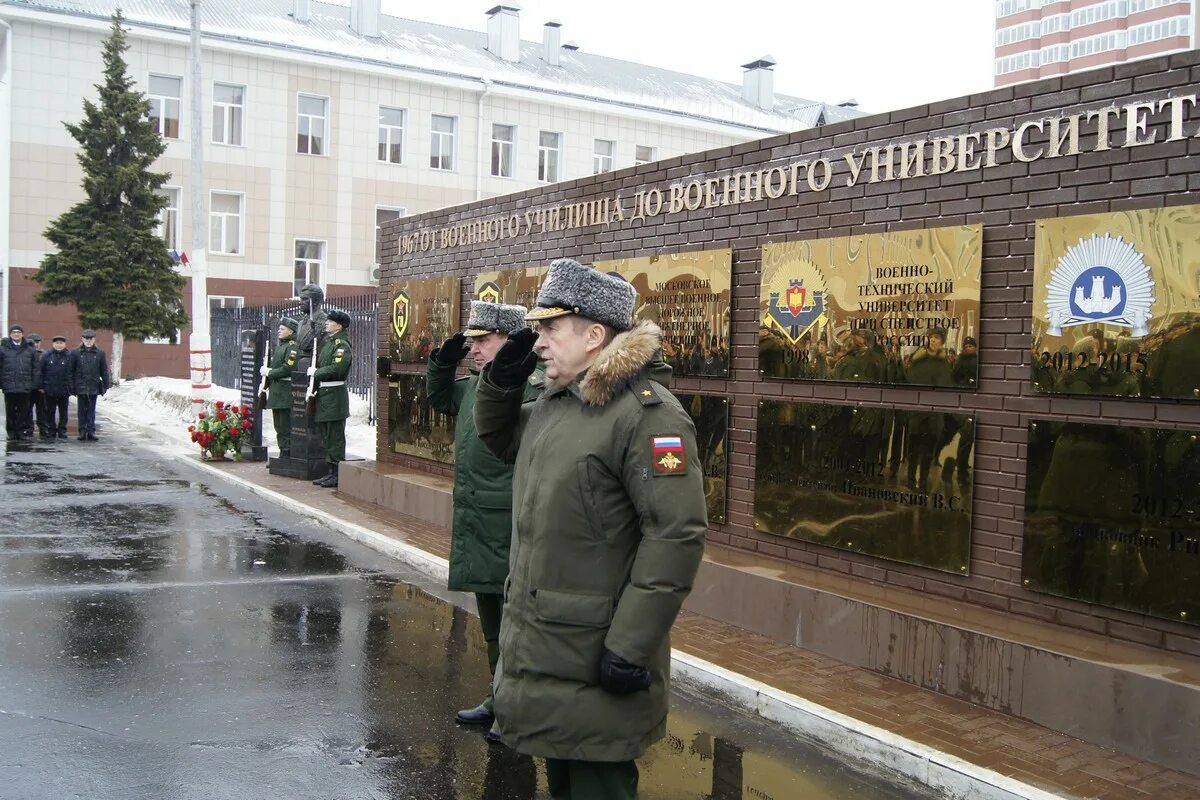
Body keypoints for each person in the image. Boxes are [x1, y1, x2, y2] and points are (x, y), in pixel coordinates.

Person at [474, 258, 707, 799]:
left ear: (595, 335)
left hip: (597, 655)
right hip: (551, 649)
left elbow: (676, 536)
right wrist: (500, 384)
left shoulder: (649, 417)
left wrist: (629, 647)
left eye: (551, 329)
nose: (538, 343)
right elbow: (501, 438)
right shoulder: (559, 407)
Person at [426, 300, 542, 737]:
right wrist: (445, 357)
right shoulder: (476, 385)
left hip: (508, 519)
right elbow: (438, 397)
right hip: (477, 518)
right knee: (493, 623)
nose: (475, 350)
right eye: (472, 342)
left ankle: (514, 707)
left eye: (483, 340)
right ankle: (499, 698)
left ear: (511, 341)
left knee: (517, 623)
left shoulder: (529, 386)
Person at [308, 309, 351, 487]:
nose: (326, 323)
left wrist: (317, 372)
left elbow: (337, 369)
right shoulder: (330, 343)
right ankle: (330, 471)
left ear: (339, 326)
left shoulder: (342, 345)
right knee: (327, 436)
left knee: (335, 437)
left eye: (330, 321)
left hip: (334, 396)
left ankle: (337, 473)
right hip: (325, 396)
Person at [263, 316, 300, 457]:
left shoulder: (292, 347)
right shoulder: (282, 346)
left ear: (291, 331)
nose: (279, 330)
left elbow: (287, 369)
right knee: (278, 425)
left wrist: (270, 372)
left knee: (285, 425)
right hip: (277, 392)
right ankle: (282, 451)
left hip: (285, 393)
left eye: (282, 329)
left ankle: (287, 453)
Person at [72, 329, 111, 441]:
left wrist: (105, 384)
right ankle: (82, 431)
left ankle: (91, 431)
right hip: (81, 385)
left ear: (94, 339)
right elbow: (71, 370)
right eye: (86, 338)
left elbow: (104, 370)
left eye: (91, 339)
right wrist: (72, 385)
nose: (88, 341)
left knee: (91, 410)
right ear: (82, 339)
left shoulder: (99, 353)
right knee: (81, 410)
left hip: (93, 385)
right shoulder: (76, 353)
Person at [0, 324, 37, 439]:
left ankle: (21, 431)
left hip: (24, 385)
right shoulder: (3, 349)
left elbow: (35, 368)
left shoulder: (30, 350)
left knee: (23, 411)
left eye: (18, 332)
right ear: (10, 335)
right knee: (10, 410)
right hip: (9, 385)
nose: (16, 334)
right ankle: (11, 432)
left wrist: (33, 384)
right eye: (14, 332)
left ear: (22, 334)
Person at [36, 335, 75, 438]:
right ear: (53, 344)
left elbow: (72, 373)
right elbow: (41, 371)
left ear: (65, 344)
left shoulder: (69, 356)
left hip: (64, 389)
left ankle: (62, 430)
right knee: (50, 411)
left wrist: (71, 387)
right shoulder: (46, 355)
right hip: (49, 389)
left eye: (61, 343)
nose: (59, 345)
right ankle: (51, 429)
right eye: (57, 343)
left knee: (63, 412)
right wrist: (41, 386)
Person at [27, 334, 51, 437]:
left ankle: (43, 428)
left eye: (37, 342)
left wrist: (44, 386)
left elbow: (48, 371)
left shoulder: (45, 354)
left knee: (42, 410)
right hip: (28, 387)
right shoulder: (25, 354)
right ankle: (28, 428)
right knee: (27, 410)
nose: (35, 344)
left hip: (41, 387)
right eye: (33, 342)